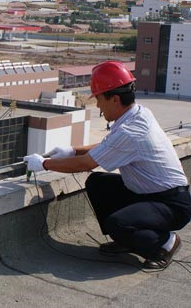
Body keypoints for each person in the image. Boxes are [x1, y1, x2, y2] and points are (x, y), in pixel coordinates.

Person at [24, 61, 191, 270]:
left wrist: (45, 164)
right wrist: (73, 150)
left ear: (115, 99)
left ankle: (165, 243)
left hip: (171, 203)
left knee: (117, 223)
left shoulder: (131, 130)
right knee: (98, 182)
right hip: (152, 193)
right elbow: (109, 146)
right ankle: (127, 240)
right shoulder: (138, 114)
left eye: (99, 99)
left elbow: (87, 163)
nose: (98, 106)